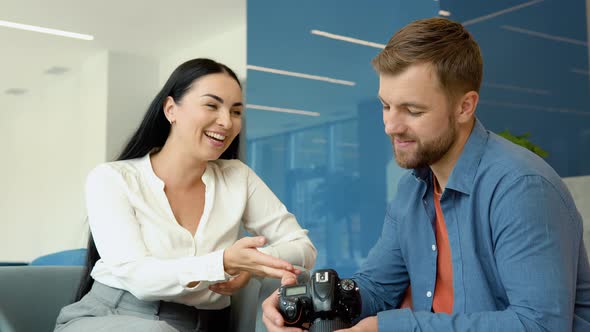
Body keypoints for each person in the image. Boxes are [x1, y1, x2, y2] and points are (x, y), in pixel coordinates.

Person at [262, 17, 590, 331]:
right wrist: (315, 302)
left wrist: (391, 328)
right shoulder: (412, 190)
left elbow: (540, 325)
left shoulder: (521, 188)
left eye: (413, 111)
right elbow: (378, 286)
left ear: (465, 106)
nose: (391, 126)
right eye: (386, 105)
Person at [54, 58, 317, 332]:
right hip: (112, 316)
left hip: (209, 323)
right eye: (211, 105)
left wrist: (250, 265)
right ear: (171, 110)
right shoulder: (112, 178)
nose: (226, 122)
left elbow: (303, 247)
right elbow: (139, 278)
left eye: (236, 112)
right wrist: (223, 262)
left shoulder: (238, 177)